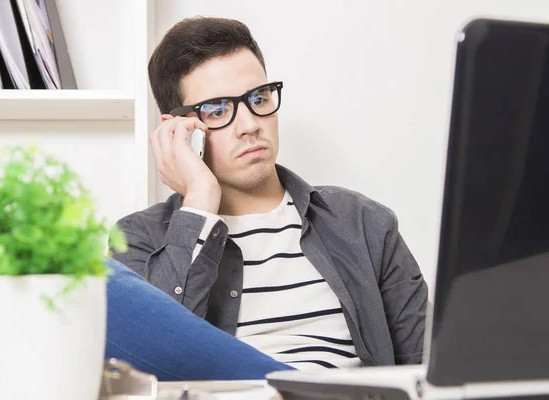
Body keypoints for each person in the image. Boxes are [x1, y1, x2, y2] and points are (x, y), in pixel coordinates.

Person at [105, 16, 428, 381]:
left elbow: (430, 367)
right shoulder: (139, 239)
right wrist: (198, 201)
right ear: (177, 130)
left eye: (259, 98)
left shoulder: (362, 222)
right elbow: (153, 359)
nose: (250, 124)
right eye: (218, 110)